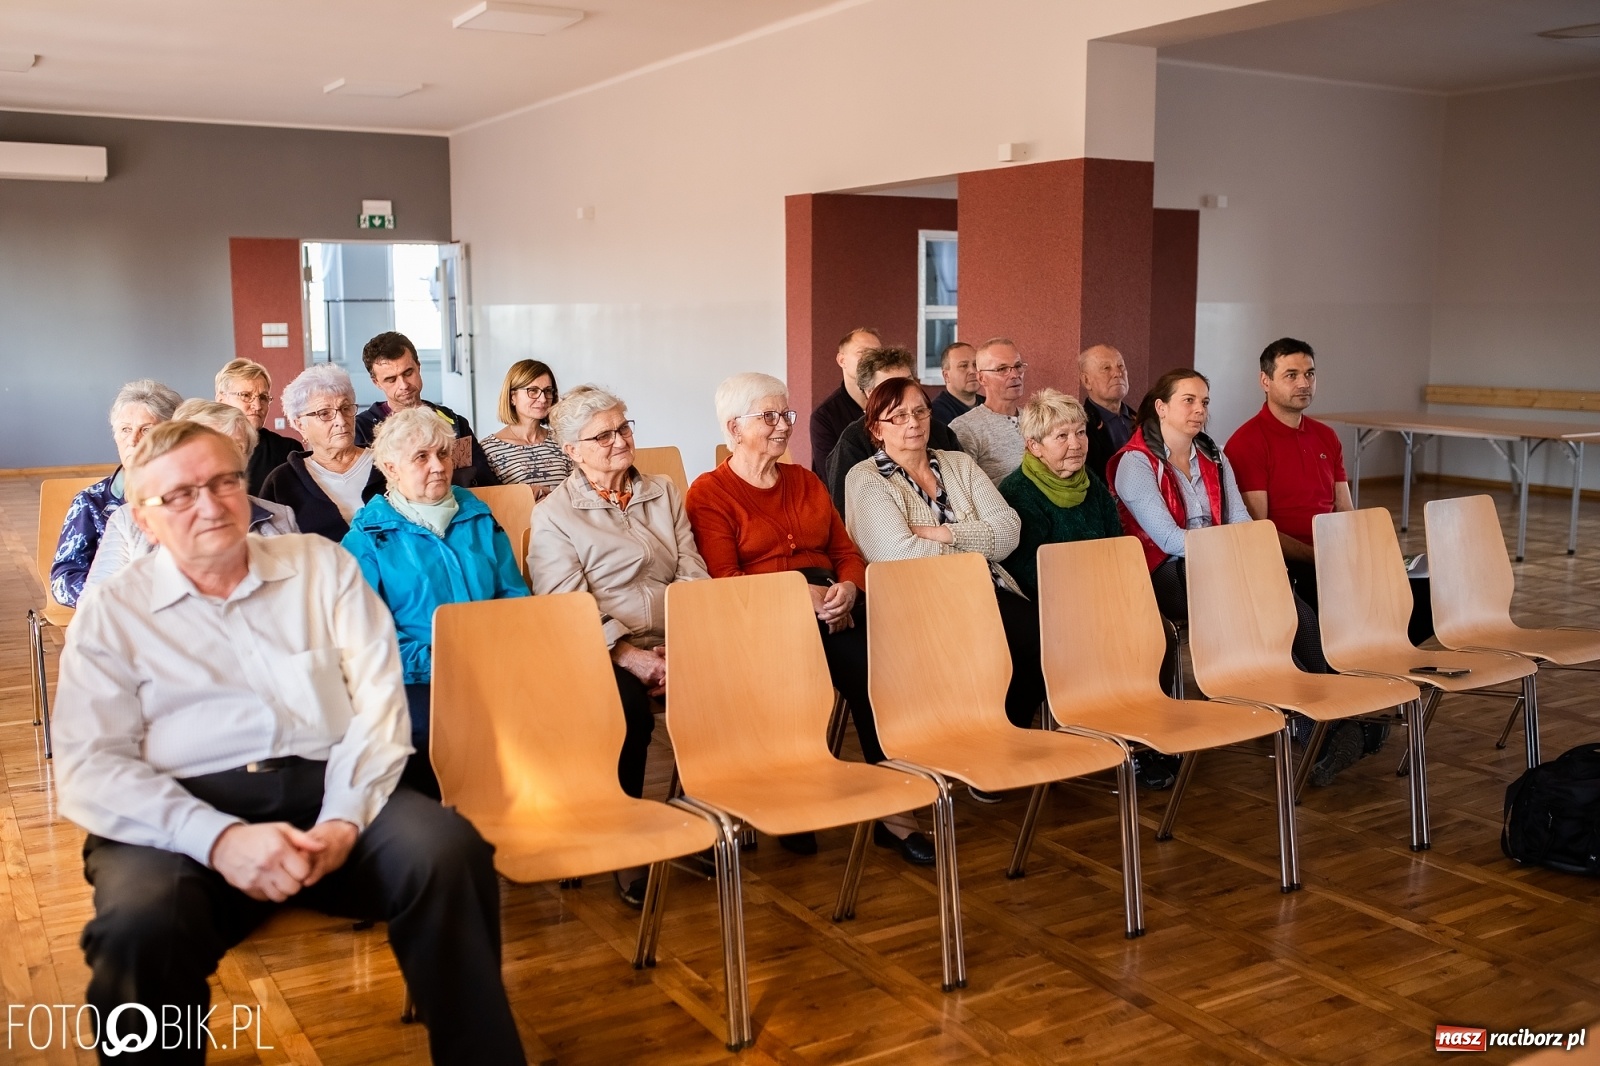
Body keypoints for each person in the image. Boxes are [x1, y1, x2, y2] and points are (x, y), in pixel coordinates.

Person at [52, 420, 527, 1066]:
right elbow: (88, 768)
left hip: (329, 787)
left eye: (223, 482)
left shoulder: (319, 567)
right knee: (140, 928)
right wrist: (216, 839)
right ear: (143, 516)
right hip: (175, 817)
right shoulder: (114, 611)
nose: (211, 504)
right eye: (181, 494)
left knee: (447, 854)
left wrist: (340, 821)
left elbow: (378, 704)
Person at [686, 372, 936, 866]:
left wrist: (846, 589)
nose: (783, 426)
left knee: (879, 672)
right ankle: (790, 801)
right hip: (760, 618)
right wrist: (803, 597)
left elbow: (845, 552)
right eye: (770, 416)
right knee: (792, 684)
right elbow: (725, 580)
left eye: (787, 415)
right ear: (734, 428)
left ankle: (896, 814)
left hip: (832, 608)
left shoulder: (804, 479)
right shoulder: (708, 493)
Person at [1109, 369, 1362, 784]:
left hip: (1219, 565)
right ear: (1161, 407)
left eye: (1205, 402)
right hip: (1162, 573)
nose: (1199, 410)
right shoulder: (1136, 464)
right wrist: (1231, 555)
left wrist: (1250, 554)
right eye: (1188, 401)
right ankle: (1315, 723)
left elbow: (1241, 519)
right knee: (1247, 604)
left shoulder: (1213, 453)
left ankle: (1331, 712)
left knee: (1281, 596)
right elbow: (1169, 539)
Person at [529, 385, 710, 906]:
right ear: (571, 450)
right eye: (602, 435)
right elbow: (568, 604)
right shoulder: (555, 515)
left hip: (676, 637)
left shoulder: (663, 490)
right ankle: (624, 841)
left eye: (624, 428)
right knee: (628, 712)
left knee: (732, 683)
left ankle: (705, 813)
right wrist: (632, 658)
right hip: (602, 647)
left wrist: (685, 645)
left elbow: (693, 567)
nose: (619, 441)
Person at [844, 378, 1046, 758]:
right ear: (876, 428)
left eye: (920, 411)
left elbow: (1008, 531)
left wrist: (941, 533)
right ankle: (975, 739)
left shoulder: (959, 464)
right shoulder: (866, 478)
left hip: (988, 591)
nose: (913, 423)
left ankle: (1003, 733)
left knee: (1045, 641)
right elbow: (897, 553)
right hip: (919, 603)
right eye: (898, 416)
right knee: (990, 649)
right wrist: (972, 551)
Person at [342, 408, 530, 800]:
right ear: (391, 468)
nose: (437, 467)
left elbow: (514, 598)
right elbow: (367, 634)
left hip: (492, 662)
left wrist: (498, 655)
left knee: (548, 708)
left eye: (443, 455)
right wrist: (439, 665)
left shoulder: (477, 515)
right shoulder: (367, 537)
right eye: (421, 457)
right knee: (431, 729)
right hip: (413, 675)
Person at [999, 388, 1180, 790]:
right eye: (1061, 436)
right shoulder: (1018, 493)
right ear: (1034, 446)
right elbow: (1030, 572)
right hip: (1051, 606)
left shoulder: (1091, 484)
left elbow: (1115, 544)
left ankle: (1148, 734)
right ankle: (1116, 741)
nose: (1076, 444)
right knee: (1107, 642)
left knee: (1159, 633)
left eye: (1080, 433)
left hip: (1102, 595)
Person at [85, 400, 298, 591]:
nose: (220, 459)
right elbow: (96, 614)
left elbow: (301, 602)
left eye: (235, 447)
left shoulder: (279, 518)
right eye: (206, 447)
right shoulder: (128, 522)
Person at [50, 379, 182, 607]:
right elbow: (64, 578)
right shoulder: (92, 502)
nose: (133, 440)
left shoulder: (191, 494)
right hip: (114, 613)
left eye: (146, 429)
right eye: (125, 430)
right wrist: (117, 597)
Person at [823, 346, 964, 515]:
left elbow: (966, 493)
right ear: (870, 393)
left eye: (908, 382)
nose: (905, 392)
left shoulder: (938, 430)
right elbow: (845, 511)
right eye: (891, 387)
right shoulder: (852, 442)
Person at [353, 331, 499, 487]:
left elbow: (487, 485)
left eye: (408, 373)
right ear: (376, 382)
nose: (403, 385)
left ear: (418, 366)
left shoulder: (454, 422)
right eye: (391, 379)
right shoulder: (362, 430)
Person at [259, 365, 386, 541]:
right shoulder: (282, 482)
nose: (341, 421)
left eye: (345, 408)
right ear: (300, 425)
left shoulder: (387, 464)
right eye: (325, 414)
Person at [481, 358, 571, 494]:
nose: (543, 399)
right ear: (512, 397)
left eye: (547, 391)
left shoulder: (563, 441)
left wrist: (548, 491)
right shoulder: (489, 450)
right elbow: (492, 502)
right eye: (533, 391)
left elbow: (583, 491)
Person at [951, 337, 1029, 484]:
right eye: (1002, 369)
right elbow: (963, 491)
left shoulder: (1037, 420)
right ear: (981, 378)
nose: (1015, 375)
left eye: (1018, 366)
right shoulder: (965, 428)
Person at [215, 358, 299, 494]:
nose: (258, 406)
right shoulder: (203, 447)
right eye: (246, 395)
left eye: (263, 397)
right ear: (221, 401)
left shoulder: (288, 451)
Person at [808, 326, 882, 477]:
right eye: (862, 352)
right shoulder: (824, 416)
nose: (871, 359)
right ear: (842, 360)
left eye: (877, 354)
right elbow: (831, 477)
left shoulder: (892, 405)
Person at [1079, 344, 1138, 484]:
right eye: (1106, 368)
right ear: (1086, 380)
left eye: (1121, 366)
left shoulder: (1142, 420)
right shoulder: (1080, 426)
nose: (1117, 373)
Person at [931, 341, 983, 425]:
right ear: (946, 376)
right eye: (963, 366)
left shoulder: (988, 406)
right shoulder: (937, 414)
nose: (973, 371)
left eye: (975, 364)